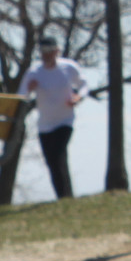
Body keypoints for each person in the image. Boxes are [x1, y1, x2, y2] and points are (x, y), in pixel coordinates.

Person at [17, 36, 86, 200]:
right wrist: (29, 88)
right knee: (52, 162)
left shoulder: (69, 68)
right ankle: (64, 196)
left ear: (57, 51)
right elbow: (21, 95)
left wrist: (78, 97)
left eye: (49, 51)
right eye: (42, 52)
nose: (46, 55)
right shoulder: (35, 72)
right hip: (45, 125)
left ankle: (65, 196)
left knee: (58, 154)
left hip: (65, 121)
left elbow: (84, 84)